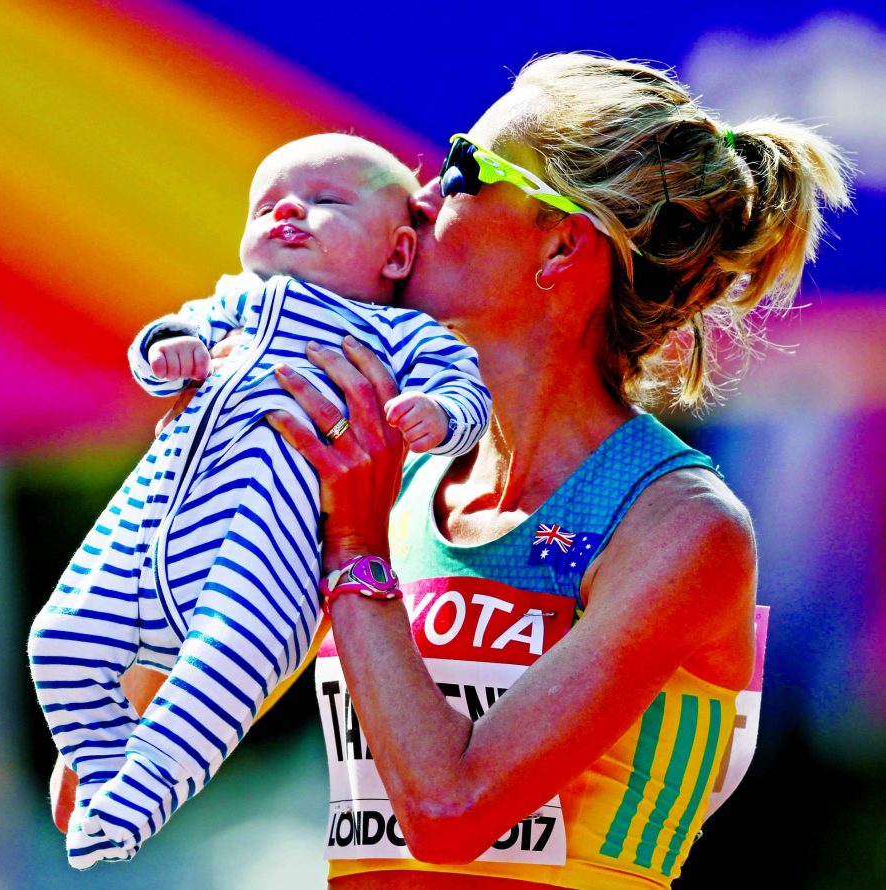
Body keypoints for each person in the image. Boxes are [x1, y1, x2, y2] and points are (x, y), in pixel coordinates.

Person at [48, 52, 850, 887]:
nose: (421, 196)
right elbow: (84, 795)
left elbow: (449, 811)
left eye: (465, 169)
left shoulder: (679, 525)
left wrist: (356, 547)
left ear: (561, 243)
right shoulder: (384, 472)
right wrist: (188, 466)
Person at [28, 133, 491, 870]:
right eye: (266, 206)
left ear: (396, 255)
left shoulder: (402, 332)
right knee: (55, 639)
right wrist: (167, 355)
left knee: (226, 667)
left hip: (259, 558)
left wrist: (435, 416)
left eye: (324, 202)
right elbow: (164, 338)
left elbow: (461, 389)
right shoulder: (231, 305)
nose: (287, 214)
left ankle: (142, 793)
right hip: (155, 525)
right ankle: (107, 761)